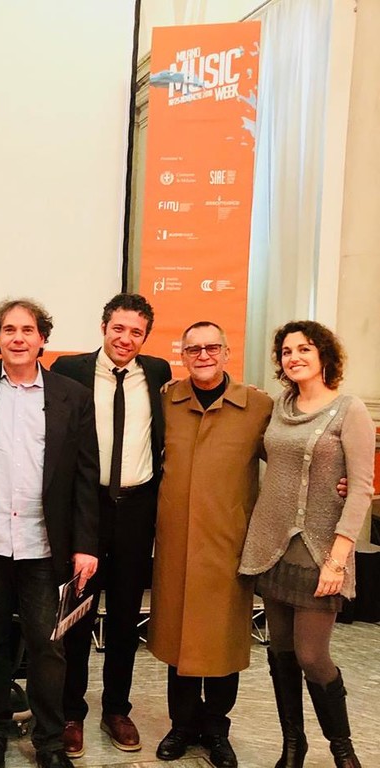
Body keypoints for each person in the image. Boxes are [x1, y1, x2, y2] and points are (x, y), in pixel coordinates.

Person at [0, 299, 99, 768]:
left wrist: (85, 545)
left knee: (48, 647)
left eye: (27, 329)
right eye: (8, 329)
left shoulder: (72, 396)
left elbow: (86, 476)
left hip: (45, 547)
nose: (18, 337)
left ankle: (50, 742)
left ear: (42, 338)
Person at [239, 321, 374, 768]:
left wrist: (338, 559)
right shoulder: (279, 407)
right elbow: (279, 456)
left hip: (321, 552)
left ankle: (343, 751)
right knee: (280, 654)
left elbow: (360, 488)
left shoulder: (349, 409)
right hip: (273, 546)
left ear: (324, 356)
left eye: (305, 349)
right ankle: (293, 748)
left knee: (312, 656)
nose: (294, 357)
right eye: (287, 351)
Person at [147, 321, 273, 768]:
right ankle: (182, 726)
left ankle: (217, 730)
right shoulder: (166, 401)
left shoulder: (257, 406)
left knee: (221, 644)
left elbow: (288, 459)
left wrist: (337, 483)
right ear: (182, 355)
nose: (203, 355)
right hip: (176, 545)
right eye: (193, 349)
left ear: (226, 352)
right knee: (177, 641)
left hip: (227, 545)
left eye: (211, 348)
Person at [50, 293, 171, 758]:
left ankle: (117, 708)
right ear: (104, 327)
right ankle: (71, 712)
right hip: (87, 506)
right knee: (77, 615)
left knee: (125, 615)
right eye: (118, 328)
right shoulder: (69, 369)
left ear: (146, 337)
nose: (126, 338)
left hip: (137, 509)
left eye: (136, 332)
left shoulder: (156, 372)